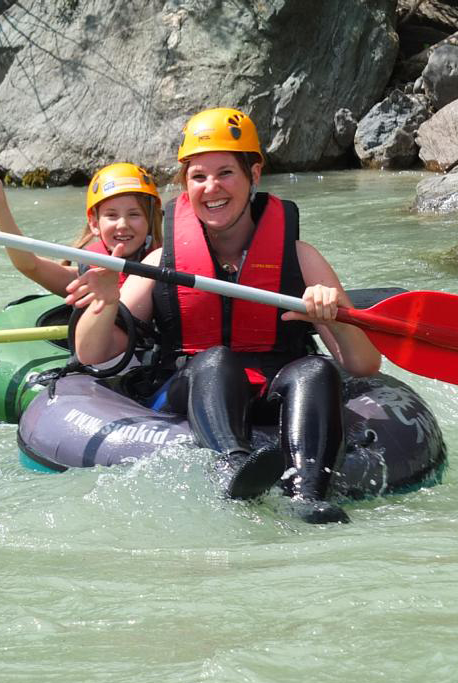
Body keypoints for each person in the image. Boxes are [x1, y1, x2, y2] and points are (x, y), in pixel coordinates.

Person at [66, 108, 381, 524]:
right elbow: (92, 355)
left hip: (275, 389)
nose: (211, 188)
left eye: (226, 173)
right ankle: (233, 466)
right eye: (198, 176)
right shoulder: (161, 263)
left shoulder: (300, 258)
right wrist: (106, 303)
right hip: (194, 385)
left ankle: (308, 494)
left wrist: (336, 315)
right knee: (216, 360)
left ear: (254, 175)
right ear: (186, 185)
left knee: (314, 369)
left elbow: (363, 364)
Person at [0, 156, 162, 296]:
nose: (123, 224)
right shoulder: (85, 279)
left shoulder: (168, 264)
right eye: (112, 215)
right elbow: (29, 265)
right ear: (95, 224)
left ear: (150, 219)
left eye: (134, 214)